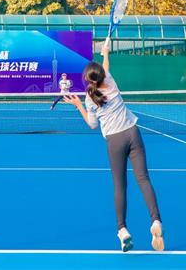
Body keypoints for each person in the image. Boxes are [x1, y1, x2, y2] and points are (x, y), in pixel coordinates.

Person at [63, 41, 164, 252]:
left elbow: (92, 125)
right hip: (133, 133)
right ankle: (156, 220)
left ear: (87, 79)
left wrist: (78, 105)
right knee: (143, 179)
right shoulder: (110, 81)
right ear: (101, 75)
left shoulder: (89, 98)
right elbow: (105, 67)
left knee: (120, 185)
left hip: (115, 141)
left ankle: (122, 230)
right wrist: (106, 53)